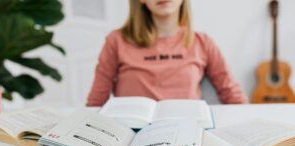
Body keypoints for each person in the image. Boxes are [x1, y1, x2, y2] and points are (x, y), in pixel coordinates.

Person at [86, 0, 248, 106]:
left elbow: (233, 95)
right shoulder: (116, 40)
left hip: (186, 136)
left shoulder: (203, 42)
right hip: (132, 138)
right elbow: (96, 101)